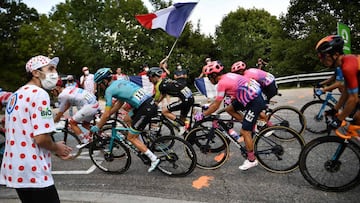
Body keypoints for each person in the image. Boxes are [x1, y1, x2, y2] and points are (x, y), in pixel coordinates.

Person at [0, 55, 72, 203]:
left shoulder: (16, 94)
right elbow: (41, 138)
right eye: (50, 69)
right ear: (35, 72)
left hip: (17, 168)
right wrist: (56, 148)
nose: (55, 74)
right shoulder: (39, 94)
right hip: (34, 170)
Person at [194, 61, 266, 170]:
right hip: (250, 96)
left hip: (254, 101)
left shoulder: (222, 83)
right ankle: (249, 123)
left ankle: (252, 159)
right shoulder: (227, 75)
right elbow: (218, 100)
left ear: (214, 75)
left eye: (209, 77)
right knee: (229, 109)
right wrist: (209, 106)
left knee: (244, 132)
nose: (209, 80)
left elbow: (216, 106)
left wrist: (203, 115)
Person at [90, 68, 160, 172]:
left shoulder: (109, 90)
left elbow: (106, 113)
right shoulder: (120, 82)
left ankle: (154, 159)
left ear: (104, 81)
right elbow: (119, 104)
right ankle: (141, 145)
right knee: (127, 119)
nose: (100, 86)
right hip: (149, 103)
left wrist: (98, 126)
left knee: (131, 137)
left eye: (100, 84)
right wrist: (108, 114)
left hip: (144, 108)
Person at [315, 35, 360, 128]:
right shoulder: (345, 63)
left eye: (323, 56)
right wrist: (335, 109)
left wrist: (339, 119)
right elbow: (346, 91)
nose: (321, 60)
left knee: (357, 119)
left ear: (335, 54)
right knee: (356, 121)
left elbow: (353, 98)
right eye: (319, 56)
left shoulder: (348, 67)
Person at [51, 81, 100, 149]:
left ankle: (85, 141)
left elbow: (61, 110)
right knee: (85, 124)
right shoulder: (69, 88)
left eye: (52, 91)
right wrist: (60, 114)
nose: (52, 93)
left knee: (72, 122)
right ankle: (102, 136)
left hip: (89, 107)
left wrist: (55, 120)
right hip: (95, 104)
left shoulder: (62, 95)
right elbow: (68, 104)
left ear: (57, 88)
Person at [147, 67, 194, 135]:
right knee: (183, 118)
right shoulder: (165, 80)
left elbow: (156, 100)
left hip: (185, 99)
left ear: (154, 77)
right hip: (189, 97)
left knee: (164, 111)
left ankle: (182, 126)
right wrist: (157, 102)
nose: (149, 80)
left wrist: (152, 105)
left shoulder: (159, 85)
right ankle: (189, 135)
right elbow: (163, 94)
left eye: (150, 78)